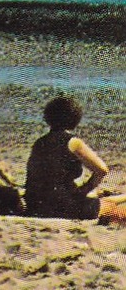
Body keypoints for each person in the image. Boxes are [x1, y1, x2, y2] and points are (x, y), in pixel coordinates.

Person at [25, 95, 126, 224]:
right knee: (111, 208)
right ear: (75, 118)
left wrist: (80, 192)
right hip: (62, 206)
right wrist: (85, 189)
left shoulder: (39, 142)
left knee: (100, 201)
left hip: (35, 205)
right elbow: (102, 170)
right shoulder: (73, 142)